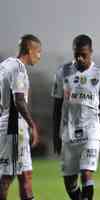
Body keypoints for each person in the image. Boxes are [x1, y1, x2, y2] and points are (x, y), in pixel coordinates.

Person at [52, 34, 100, 200]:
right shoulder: (62, 73)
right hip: (68, 133)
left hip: (91, 132)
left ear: (91, 52)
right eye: (76, 54)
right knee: (70, 182)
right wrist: (55, 136)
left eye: (84, 55)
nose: (80, 58)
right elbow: (57, 108)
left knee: (86, 173)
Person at [0, 34, 41, 200]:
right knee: (7, 177)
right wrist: (33, 125)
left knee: (26, 174)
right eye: (38, 52)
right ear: (29, 50)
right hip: (13, 127)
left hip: (7, 123)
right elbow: (19, 101)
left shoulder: (4, 65)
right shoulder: (19, 68)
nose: (39, 56)